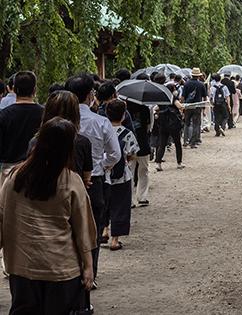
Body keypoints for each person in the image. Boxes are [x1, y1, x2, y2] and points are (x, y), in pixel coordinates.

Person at [0, 118, 97, 314]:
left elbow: (3, 217)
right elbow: (83, 228)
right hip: (60, 266)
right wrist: (88, 266)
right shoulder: (70, 181)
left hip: (22, 265)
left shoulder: (15, 178)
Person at [65, 72, 121, 282]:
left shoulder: (58, 122)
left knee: (67, 228)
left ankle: (69, 273)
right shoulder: (101, 122)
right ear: (90, 95)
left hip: (63, 181)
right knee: (93, 230)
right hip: (94, 181)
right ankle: (91, 274)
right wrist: (102, 165)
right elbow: (115, 153)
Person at [104, 100, 138, 251]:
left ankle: (104, 230)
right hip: (122, 175)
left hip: (103, 174)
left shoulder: (102, 130)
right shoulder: (127, 133)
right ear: (123, 116)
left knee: (104, 203)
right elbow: (132, 153)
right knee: (120, 206)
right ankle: (115, 239)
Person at [39, 90, 93, 186]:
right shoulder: (82, 142)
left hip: (40, 194)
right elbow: (86, 176)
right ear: (75, 113)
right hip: (72, 193)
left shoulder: (36, 141)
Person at [0, 71, 44, 182]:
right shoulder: (44, 114)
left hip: (8, 173)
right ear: (34, 90)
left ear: (14, 89)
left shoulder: (4, 114)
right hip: (36, 172)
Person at [156, 83, 185, 171]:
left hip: (163, 123)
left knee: (162, 143)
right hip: (173, 124)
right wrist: (182, 108)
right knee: (177, 143)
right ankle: (179, 163)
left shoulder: (162, 98)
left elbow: (156, 108)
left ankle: (158, 164)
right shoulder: (173, 98)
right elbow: (179, 106)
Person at [181, 68, 207, 149]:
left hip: (188, 106)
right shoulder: (201, 84)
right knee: (196, 124)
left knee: (186, 123)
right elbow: (205, 97)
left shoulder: (186, 84)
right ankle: (193, 142)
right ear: (198, 76)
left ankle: (185, 141)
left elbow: (182, 97)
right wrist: (204, 108)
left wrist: (182, 106)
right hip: (197, 106)